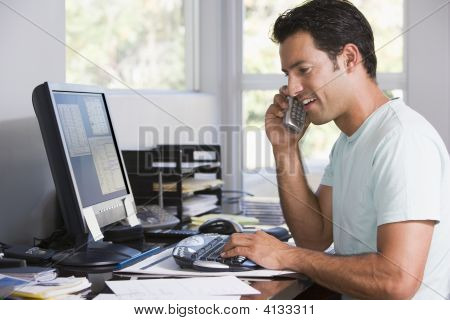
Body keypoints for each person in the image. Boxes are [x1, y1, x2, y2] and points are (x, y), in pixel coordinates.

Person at [222, 0, 450, 299]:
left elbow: (397, 280)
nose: (291, 89)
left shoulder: (401, 139)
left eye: (303, 69)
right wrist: (285, 148)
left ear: (349, 58)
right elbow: (314, 237)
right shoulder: (347, 142)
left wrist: (286, 255)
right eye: (287, 74)